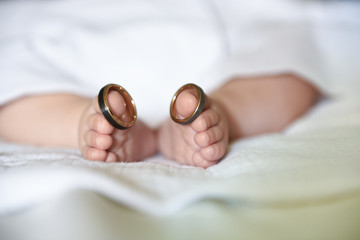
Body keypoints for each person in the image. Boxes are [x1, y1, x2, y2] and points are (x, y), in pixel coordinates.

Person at [0, 0, 321, 168]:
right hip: (72, 36)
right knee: (12, 85)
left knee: (288, 62)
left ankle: (222, 110)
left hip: (212, 29)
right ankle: (82, 123)